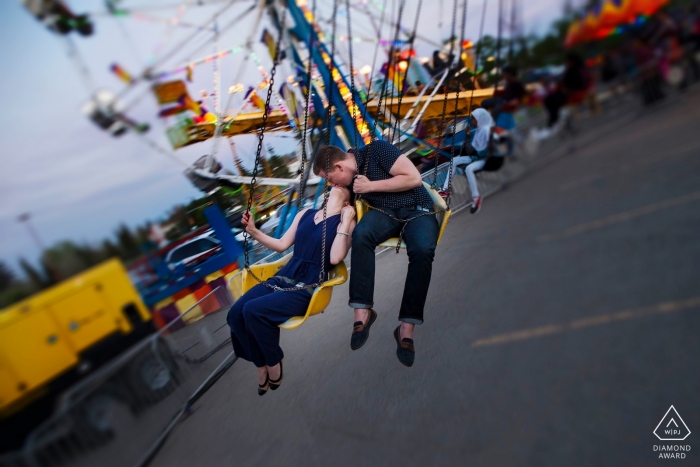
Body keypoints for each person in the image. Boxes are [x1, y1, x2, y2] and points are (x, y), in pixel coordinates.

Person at [313, 141, 438, 367]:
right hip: (384, 213)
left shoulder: (378, 150)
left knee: (423, 249)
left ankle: (406, 329)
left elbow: (413, 178)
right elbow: (332, 207)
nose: (330, 184)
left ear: (340, 167)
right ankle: (362, 313)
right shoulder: (348, 183)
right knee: (362, 234)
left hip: (417, 208)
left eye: (329, 178)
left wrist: (370, 187)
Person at [226, 187, 356, 395]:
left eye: (341, 186)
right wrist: (253, 231)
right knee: (234, 315)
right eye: (331, 184)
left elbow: (334, 258)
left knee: (252, 310)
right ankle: (260, 364)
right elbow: (281, 244)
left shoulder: (346, 223)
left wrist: (347, 220)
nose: (333, 185)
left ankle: (273, 359)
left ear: (348, 201)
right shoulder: (304, 214)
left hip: (306, 288)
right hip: (282, 277)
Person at [438, 108, 494, 214]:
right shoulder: (479, 131)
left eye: (473, 119)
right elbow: (472, 149)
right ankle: (445, 189)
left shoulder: (485, 131)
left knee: (469, 169)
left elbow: (478, 150)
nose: (471, 122)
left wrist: (468, 141)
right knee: (454, 160)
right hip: (475, 157)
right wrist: (468, 137)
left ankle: (476, 197)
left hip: (483, 159)